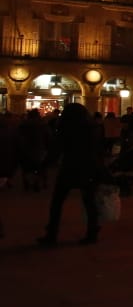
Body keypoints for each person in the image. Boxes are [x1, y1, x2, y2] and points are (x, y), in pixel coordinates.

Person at [36, 101, 103, 247]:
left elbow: (57, 149)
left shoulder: (67, 128)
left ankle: (52, 233)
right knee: (89, 201)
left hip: (70, 167)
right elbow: (99, 149)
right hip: (88, 167)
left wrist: (44, 165)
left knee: (57, 202)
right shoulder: (93, 129)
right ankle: (92, 231)